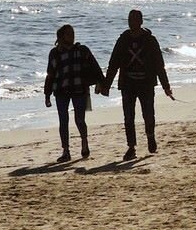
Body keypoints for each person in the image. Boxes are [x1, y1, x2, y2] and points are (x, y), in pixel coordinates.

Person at [98, 9, 174, 160]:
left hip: (146, 83)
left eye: (133, 19)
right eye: (129, 19)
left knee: (148, 114)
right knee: (128, 117)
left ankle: (150, 136)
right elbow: (113, 63)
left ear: (140, 21)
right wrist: (106, 84)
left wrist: (166, 86)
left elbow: (159, 64)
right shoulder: (123, 40)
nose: (130, 22)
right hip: (128, 84)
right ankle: (131, 147)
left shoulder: (150, 40)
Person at [42, 24, 102, 163]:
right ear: (61, 37)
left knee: (79, 120)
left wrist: (100, 83)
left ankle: (85, 142)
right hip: (61, 91)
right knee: (63, 121)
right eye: (69, 34)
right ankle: (66, 151)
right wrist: (47, 95)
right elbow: (50, 75)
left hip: (79, 89)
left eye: (73, 33)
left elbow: (95, 67)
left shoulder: (82, 50)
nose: (72, 36)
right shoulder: (54, 53)